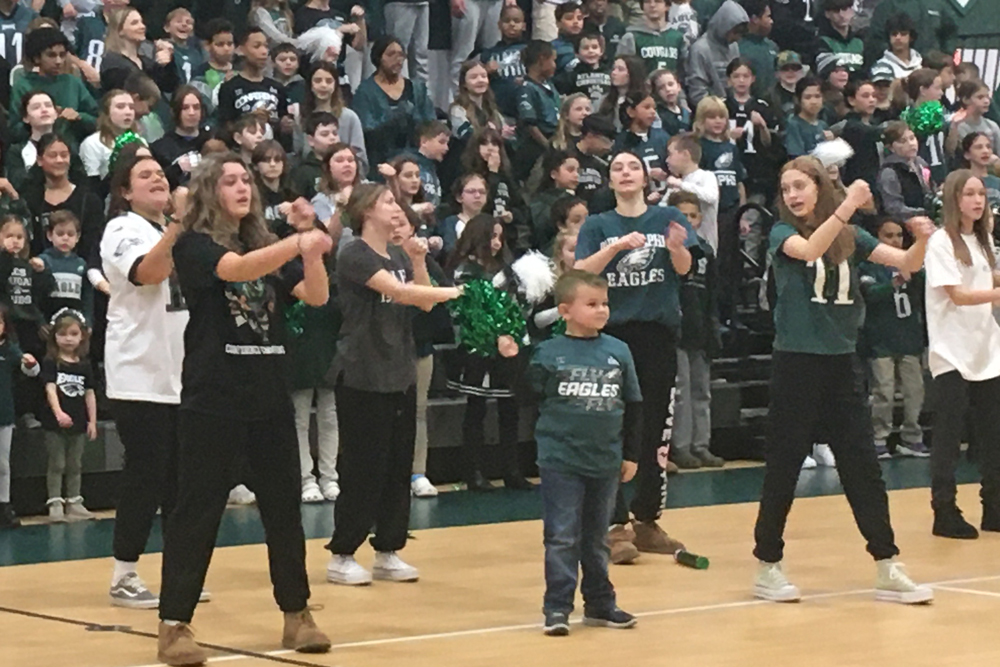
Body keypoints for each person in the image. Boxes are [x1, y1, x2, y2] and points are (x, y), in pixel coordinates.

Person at [155, 154, 333, 665]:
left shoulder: (265, 244)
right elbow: (234, 272)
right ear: (211, 192)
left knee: (285, 513)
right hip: (214, 399)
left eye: (246, 180)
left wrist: (314, 249)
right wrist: (295, 242)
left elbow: (316, 297)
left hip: (269, 397)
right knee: (198, 514)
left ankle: (296, 614)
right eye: (230, 181)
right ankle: (174, 623)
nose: (242, 188)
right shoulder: (194, 245)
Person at [752, 155, 934, 605]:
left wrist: (922, 241)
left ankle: (887, 563)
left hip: (841, 363)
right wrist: (848, 204)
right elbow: (811, 250)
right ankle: (768, 565)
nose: (793, 195)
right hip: (795, 362)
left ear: (819, 186)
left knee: (863, 468)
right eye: (786, 187)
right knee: (784, 464)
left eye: (801, 186)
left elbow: (905, 262)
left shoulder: (851, 234)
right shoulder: (782, 233)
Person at [324, 183, 461, 584]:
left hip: (398, 370)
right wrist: (454, 290)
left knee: (397, 466)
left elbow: (421, 300)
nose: (395, 207)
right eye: (387, 201)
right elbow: (399, 292)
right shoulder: (353, 253)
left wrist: (418, 260)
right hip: (361, 372)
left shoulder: (398, 254)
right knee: (362, 467)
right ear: (366, 211)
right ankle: (343, 552)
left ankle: (388, 548)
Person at [575, 150, 695, 564]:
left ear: (645, 177)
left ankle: (646, 519)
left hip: (656, 335)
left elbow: (684, 268)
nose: (625, 173)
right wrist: (617, 248)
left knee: (655, 428)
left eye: (632, 167)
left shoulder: (666, 219)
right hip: (609, 336)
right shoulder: (598, 224)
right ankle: (613, 524)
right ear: (610, 181)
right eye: (617, 169)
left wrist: (678, 248)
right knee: (611, 429)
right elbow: (581, 271)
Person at [98, 153, 193, 609]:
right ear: (125, 191)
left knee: (182, 479)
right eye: (144, 175)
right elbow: (149, 273)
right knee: (146, 476)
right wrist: (179, 226)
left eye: (160, 173)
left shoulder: (168, 229)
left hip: (182, 374)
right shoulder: (122, 229)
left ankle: (178, 574)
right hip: (138, 373)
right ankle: (123, 575)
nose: (157, 178)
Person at [529, 269, 640, 636]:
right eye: (591, 304)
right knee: (562, 536)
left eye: (604, 303)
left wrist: (631, 453)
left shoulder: (618, 350)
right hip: (561, 459)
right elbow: (529, 396)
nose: (601, 310)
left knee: (597, 537)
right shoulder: (548, 352)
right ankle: (557, 607)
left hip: (605, 459)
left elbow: (634, 404)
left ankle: (600, 603)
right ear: (565, 310)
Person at [923, 169, 1000, 540]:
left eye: (981, 194)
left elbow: (985, 279)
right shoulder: (941, 241)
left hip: (986, 347)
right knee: (949, 435)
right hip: (950, 350)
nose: (977, 200)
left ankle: (994, 506)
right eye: (969, 194)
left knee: (993, 433)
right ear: (954, 199)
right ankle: (944, 509)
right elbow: (958, 294)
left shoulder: (982, 239)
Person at [447, 214, 531, 491]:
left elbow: (519, 307)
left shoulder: (508, 271)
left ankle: (512, 470)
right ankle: (473, 472)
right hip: (477, 349)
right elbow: (466, 311)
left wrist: (513, 334)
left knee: (511, 410)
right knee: (476, 410)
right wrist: (492, 335)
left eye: (499, 237)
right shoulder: (465, 271)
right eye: (491, 236)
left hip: (509, 349)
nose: (496, 242)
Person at [858, 219, 927, 461]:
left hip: (909, 337)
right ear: (877, 238)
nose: (895, 240)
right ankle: (879, 438)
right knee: (883, 391)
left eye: (899, 235)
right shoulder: (868, 266)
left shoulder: (913, 264)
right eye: (888, 235)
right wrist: (894, 283)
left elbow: (925, 290)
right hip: (880, 339)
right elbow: (870, 295)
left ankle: (911, 437)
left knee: (914, 390)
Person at [668, 190, 721, 469]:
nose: (688, 220)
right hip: (677, 329)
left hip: (700, 329)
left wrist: (713, 327)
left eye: (693, 215)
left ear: (700, 219)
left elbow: (713, 294)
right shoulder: (667, 249)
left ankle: (702, 445)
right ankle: (680, 447)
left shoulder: (705, 250)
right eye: (682, 215)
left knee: (702, 390)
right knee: (681, 390)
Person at [41, 307, 97, 522]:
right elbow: (50, 389)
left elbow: (90, 393)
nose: (68, 339)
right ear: (54, 337)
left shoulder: (84, 365)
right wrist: (58, 413)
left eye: (73, 334)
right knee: (57, 463)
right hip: (55, 422)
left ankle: (75, 501)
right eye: (62, 334)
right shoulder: (51, 362)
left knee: (75, 463)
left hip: (79, 421)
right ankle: (55, 502)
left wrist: (92, 420)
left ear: (82, 336)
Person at [352, 35, 435, 179]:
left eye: (401, 55)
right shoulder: (365, 91)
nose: (398, 59)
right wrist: (393, 121)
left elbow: (431, 124)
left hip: (417, 159)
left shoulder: (416, 88)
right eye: (391, 54)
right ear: (378, 58)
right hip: (381, 160)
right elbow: (366, 132)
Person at [23, 133, 105, 260]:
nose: (59, 160)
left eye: (64, 155)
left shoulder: (89, 200)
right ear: (40, 160)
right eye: (52, 155)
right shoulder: (30, 199)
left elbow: (93, 245)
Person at [8, 27, 98, 143]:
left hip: (70, 150)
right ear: (36, 58)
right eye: (51, 55)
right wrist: (35, 122)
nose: (58, 61)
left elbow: (97, 120)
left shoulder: (72, 82)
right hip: (34, 149)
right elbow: (14, 129)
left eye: (62, 55)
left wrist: (79, 116)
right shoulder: (23, 85)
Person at [216, 27, 293, 144]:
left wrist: (285, 125)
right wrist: (249, 120)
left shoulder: (278, 87)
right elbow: (225, 129)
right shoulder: (230, 87)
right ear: (241, 50)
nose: (264, 52)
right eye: (257, 46)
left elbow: (284, 129)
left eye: (266, 46)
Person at [0, 304, 39, 529]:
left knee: (3, 464)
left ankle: (4, 506)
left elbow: (30, 370)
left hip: (4, 415)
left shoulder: (10, 349)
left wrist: (31, 364)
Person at [100, 7, 178, 95]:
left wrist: (168, 63)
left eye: (141, 22)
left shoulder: (147, 62)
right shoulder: (113, 63)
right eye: (134, 23)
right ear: (120, 31)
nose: (142, 26)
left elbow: (169, 86)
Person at [685, 0, 747, 107]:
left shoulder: (733, 47)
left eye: (740, 34)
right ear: (724, 26)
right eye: (735, 32)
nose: (737, 37)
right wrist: (718, 109)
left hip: (734, 109)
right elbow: (697, 92)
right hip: (709, 112)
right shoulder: (700, 49)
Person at [515, 40, 561, 182]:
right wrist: (548, 148)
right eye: (553, 61)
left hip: (555, 139)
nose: (555, 65)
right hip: (536, 147)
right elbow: (530, 126)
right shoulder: (527, 88)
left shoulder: (549, 85)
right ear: (542, 59)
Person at [151, 85, 210, 190]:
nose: (191, 113)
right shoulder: (161, 148)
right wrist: (177, 169)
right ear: (175, 111)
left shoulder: (211, 140)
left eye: (196, 107)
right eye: (185, 108)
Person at [666, 132, 719, 250]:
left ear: (685, 154)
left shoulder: (706, 176)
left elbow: (711, 196)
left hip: (705, 247)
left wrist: (681, 185)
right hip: (680, 246)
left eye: (670, 154)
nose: (667, 160)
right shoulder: (676, 184)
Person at [877, 121, 933, 224]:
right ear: (891, 147)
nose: (911, 144)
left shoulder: (921, 163)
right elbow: (893, 207)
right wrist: (923, 212)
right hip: (905, 224)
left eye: (912, 138)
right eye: (902, 141)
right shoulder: (890, 171)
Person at [480, 5, 528, 121]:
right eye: (507, 21)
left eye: (516, 21)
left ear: (524, 26)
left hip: (526, 109)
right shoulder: (488, 53)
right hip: (499, 112)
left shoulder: (531, 49)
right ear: (499, 25)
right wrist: (486, 71)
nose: (512, 24)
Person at [80, 90, 138, 183]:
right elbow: (93, 183)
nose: (128, 112)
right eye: (120, 107)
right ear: (107, 112)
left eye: (131, 107)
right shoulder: (93, 143)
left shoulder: (139, 140)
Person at [617, 0, 685, 78]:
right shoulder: (631, 37)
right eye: (647, 2)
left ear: (667, 6)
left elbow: (684, 71)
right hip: (642, 88)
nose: (652, 5)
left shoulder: (678, 37)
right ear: (642, 7)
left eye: (657, 1)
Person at [450, 0, 503, 98]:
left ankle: (488, 103)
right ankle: (459, 100)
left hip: (495, 2)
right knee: (463, 54)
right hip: (468, 2)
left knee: (492, 54)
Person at [554, 28, 611, 110]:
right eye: (585, 48)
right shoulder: (571, 76)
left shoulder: (610, 73)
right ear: (577, 53)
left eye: (594, 47)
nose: (590, 51)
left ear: (601, 51)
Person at [450, 59, 507, 141]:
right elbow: (466, 136)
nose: (480, 80)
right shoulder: (457, 109)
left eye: (484, 76)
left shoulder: (491, 108)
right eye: (473, 77)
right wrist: (493, 133)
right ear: (464, 84)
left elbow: (504, 128)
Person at [946, 80, 1000, 160]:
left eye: (987, 97)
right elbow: (951, 152)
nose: (986, 101)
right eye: (980, 97)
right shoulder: (959, 126)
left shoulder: (992, 126)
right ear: (965, 100)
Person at [737, 0, 777, 97]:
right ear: (755, 19)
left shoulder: (772, 46)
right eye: (768, 17)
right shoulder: (738, 48)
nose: (771, 21)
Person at [784, 75, 830, 158]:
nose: (813, 102)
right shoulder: (794, 124)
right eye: (807, 97)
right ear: (798, 100)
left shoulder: (823, 125)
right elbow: (796, 156)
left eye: (817, 96)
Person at [874, 13, 922, 80]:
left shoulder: (922, 63)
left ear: (911, 37)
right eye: (894, 34)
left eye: (903, 34)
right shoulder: (881, 66)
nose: (898, 37)